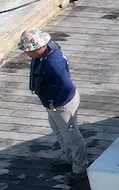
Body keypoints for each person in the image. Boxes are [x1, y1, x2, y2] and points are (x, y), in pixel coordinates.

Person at [21, 28, 89, 177]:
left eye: (28, 50)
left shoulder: (53, 63)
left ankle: (80, 167)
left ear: (39, 48)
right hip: (53, 104)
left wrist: (55, 103)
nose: (26, 53)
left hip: (62, 105)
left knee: (72, 137)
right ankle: (68, 156)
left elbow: (66, 86)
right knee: (59, 132)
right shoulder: (44, 55)